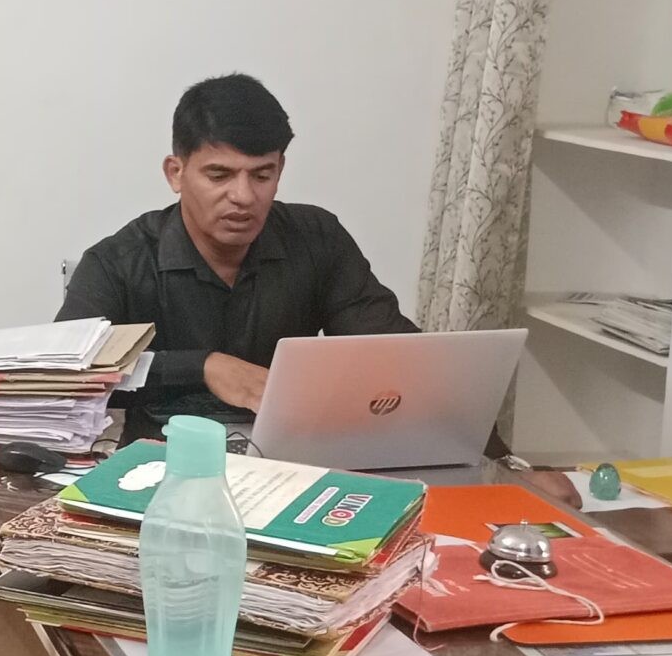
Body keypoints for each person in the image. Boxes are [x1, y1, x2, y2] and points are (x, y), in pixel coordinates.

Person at [58, 73, 419, 423]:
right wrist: (203, 367)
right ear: (175, 173)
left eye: (262, 175)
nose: (244, 196)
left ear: (280, 169)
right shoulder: (116, 263)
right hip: (157, 454)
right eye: (219, 176)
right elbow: (65, 374)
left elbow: (392, 351)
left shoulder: (317, 238)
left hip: (287, 449)